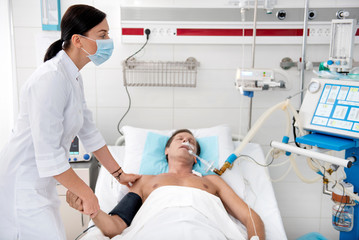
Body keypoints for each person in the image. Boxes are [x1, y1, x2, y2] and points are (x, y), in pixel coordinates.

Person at [0, 4, 140, 240]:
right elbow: (48, 154)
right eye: (102, 35)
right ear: (78, 40)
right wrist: (87, 193)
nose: (108, 41)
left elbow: (89, 131)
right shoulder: (50, 78)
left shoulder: (72, 76)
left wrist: (119, 174)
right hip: (22, 187)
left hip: (39, 186)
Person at [67, 129, 265, 240]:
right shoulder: (145, 180)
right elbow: (116, 226)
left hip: (205, 231)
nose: (186, 141)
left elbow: (250, 217)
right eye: (180, 139)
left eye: (191, 141)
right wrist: (93, 211)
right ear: (167, 151)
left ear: (196, 158)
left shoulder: (212, 181)